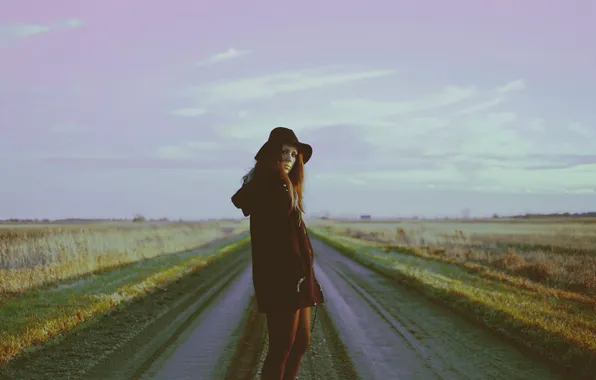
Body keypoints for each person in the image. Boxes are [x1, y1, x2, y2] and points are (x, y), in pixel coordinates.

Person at [231, 127, 324, 380]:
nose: (290, 158)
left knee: (300, 343)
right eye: (283, 152)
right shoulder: (270, 186)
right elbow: (274, 238)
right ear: (271, 156)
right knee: (282, 347)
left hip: (298, 276)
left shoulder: (286, 187)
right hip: (281, 277)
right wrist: (281, 182)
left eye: (294, 154)